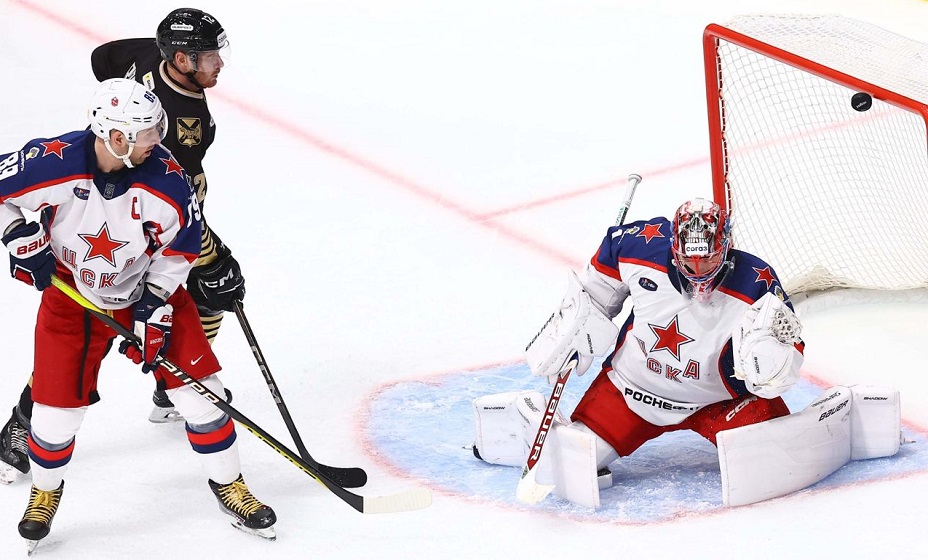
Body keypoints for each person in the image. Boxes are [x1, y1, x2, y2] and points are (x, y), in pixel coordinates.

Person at [473, 198, 902, 507]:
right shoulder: (634, 246)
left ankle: (847, 421)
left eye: (708, 261)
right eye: (689, 262)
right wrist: (576, 322)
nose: (698, 273)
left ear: (726, 247)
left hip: (719, 402)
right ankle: (514, 423)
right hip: (631, 391)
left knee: (776, 457)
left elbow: (788, 356)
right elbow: (594, 292)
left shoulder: (756, 282)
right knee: (577, 459)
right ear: (673, 248)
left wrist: (770, 362)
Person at [0, 78, 275, 547]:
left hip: (147, 292)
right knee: (52, 417)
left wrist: (155, 299)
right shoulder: (53, 161)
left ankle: (230, 485)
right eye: (147, 132)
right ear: (116, 137)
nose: (157, 140)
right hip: (71, 297)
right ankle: (45, 492)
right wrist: (14, 235)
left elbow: (181, 248)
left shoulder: (167, 181)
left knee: (203, 397)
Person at [0, 8, 244, 482]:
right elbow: (176, 208)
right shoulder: (176, 126)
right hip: (123, 215)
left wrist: (118, 109)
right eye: (209, 55)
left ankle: (171, 387)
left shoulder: (148, 55)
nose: (220, 63)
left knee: (190, 297)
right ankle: (25, 423)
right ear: (181, 59)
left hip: (131, 193)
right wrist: (213, 254)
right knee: (87, 333)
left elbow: (103, 58)